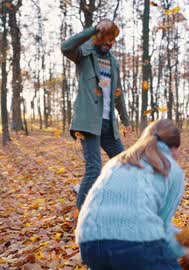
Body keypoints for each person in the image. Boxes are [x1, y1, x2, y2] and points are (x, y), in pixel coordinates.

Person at [75, 119, 189, 270]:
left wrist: (183, 242)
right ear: (175, 148)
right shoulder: (171, 168)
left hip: (90, 239)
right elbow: (160, 229)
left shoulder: (117, 161)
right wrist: (185, 250)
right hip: (134, 242)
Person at [61, 19, 131, 210]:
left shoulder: (113, 63)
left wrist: (126, 120)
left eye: (113, 40)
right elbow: (66, 47)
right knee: (94, 169)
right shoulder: (84, 53)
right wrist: (92, 30)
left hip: (109, 123)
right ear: (98, 37)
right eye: (106, 39)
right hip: (88, 122)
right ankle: (82, 213)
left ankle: (98, 194)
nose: (109, 44)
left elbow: (118, 94)